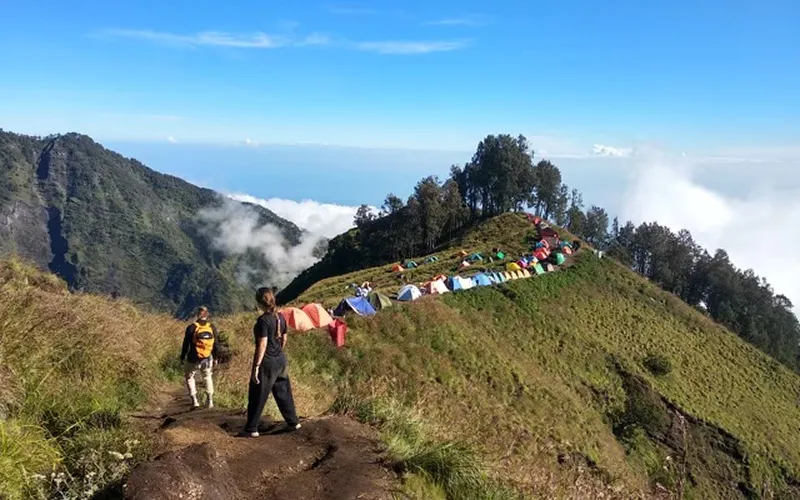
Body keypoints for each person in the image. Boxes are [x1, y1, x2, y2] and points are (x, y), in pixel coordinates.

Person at [240, 288, 301, 437]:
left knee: (257, 394)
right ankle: (293, 422)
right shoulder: (280, 317)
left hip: (267, 362)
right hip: (280, 360)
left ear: (260, 302)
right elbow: (284, 339)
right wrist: (277, 352)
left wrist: (256, 366)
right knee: (283, 392)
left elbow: (262, 344)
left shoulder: (263, 320)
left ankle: (252, 428)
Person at [180, 306, 219, 409]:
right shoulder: (212, 327)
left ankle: (195, 401)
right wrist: (215, 358)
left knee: (189, 377)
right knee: (207, 376)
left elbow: (185, 344)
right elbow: (216, 345)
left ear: (197, 314)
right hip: (207, 357)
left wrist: (182, 356)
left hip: (193, 358)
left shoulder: (191, 327)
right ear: (207, 314)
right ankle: (210, 401)